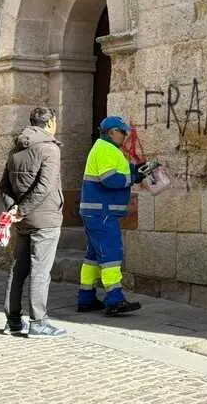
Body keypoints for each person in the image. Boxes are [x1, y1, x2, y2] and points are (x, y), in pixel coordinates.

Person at [0, 106, 67, 338]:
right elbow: (45, 187)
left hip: (23, 219)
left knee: (18, 269)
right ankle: (39, 322)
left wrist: (14, 209)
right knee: (40, 270)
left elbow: (3, 187)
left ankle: (13, 320)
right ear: (50, 123)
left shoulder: (16, 149)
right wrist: (22, 209)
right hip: (45, 218)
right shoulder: (49, 148)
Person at [77, 116, 145, 316]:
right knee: (111, 254)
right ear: (112, 132)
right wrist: (133, 177)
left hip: (95, 211)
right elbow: (110, 179)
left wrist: (135, 170)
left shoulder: (105, 149)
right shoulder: (106, 149)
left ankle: (86, 297)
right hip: (102, 212)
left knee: (93, 256)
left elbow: (117, 171)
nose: (125, 136)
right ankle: (115, 299)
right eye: (123, 132)